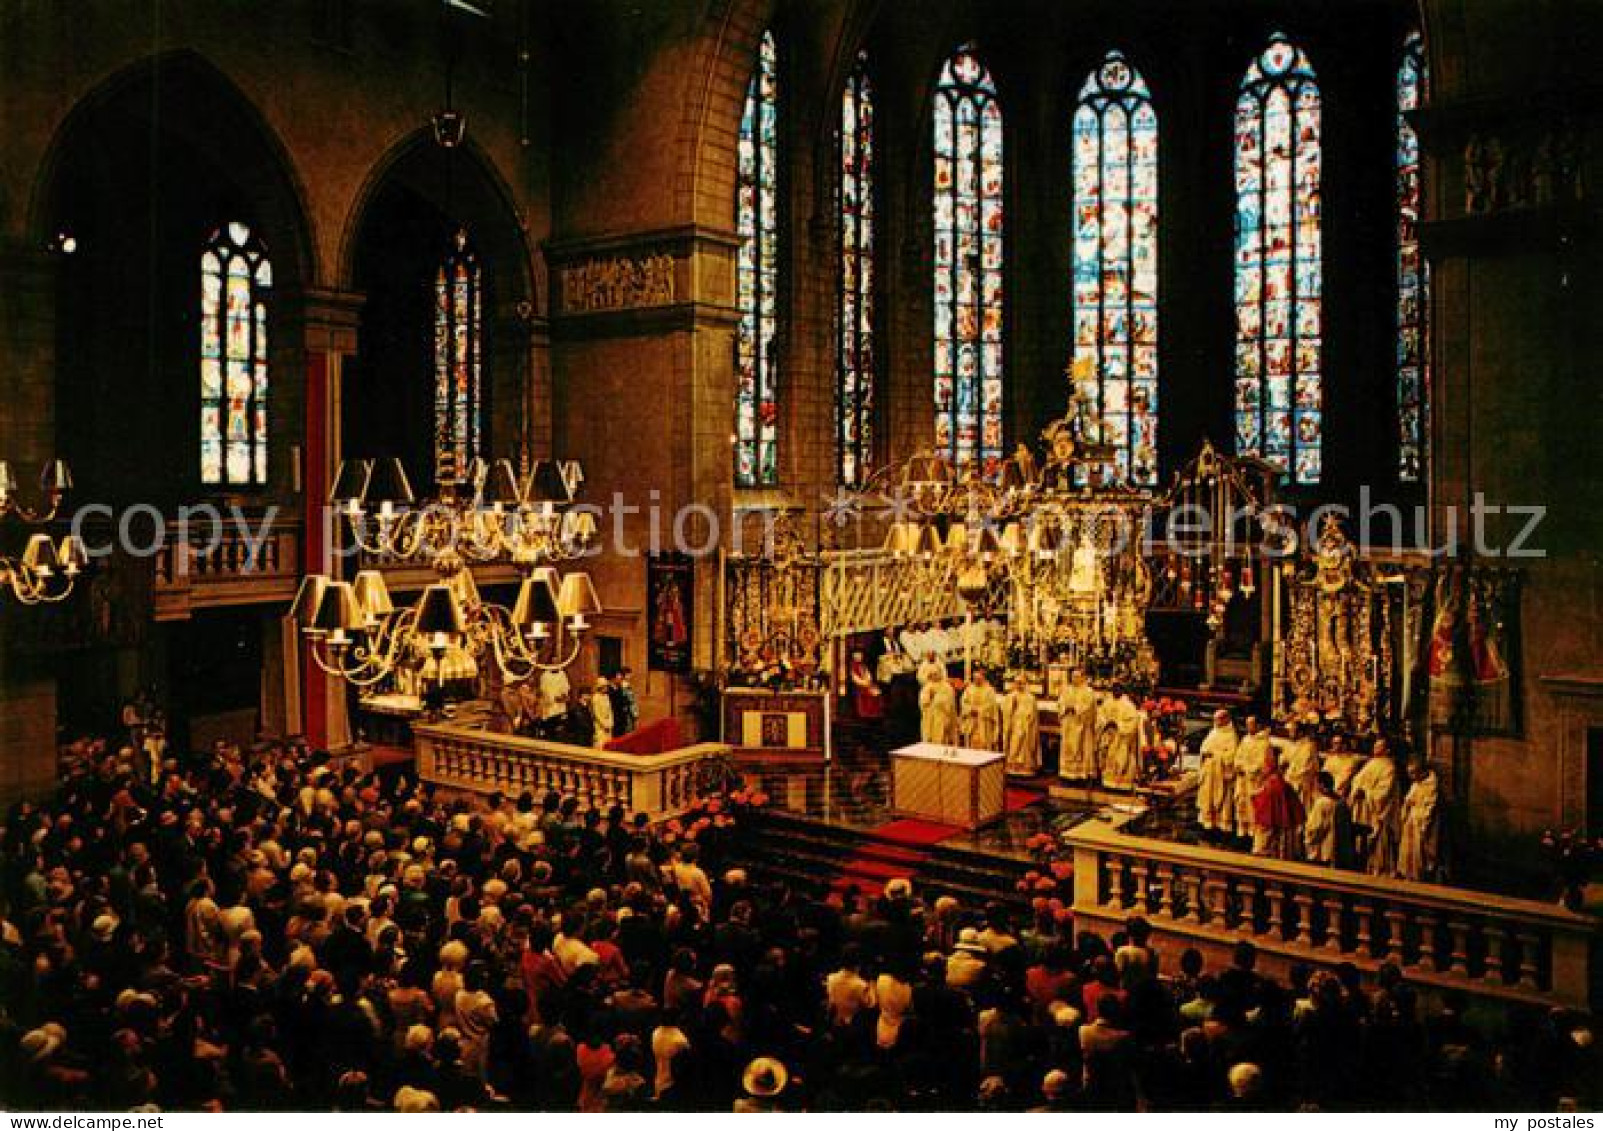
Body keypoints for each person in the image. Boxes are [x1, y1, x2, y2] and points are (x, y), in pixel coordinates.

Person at [1350, 740, 1402, 876]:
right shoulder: (1371, 763)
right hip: (1364, 808)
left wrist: (1365, 792)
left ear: (1387, 750)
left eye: (1379, 746)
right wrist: (1357, 789)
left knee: (1379, 845)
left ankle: (1379, 870)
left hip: (1378, 811)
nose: (1375, 748)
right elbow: (1357, 779)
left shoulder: (1389, 767)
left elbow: (1384, 792)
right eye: (1375, 745)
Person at [1251, 746, 1305, 860]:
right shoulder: (1278, 782)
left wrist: (1255, 796)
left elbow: (1266, 812)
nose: (1263, 766)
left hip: (1270, 827)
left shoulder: (1275, 784)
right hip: (1275, 828)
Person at [1196, 710, 1238, 838]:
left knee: (1222, 801)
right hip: (1209, 771)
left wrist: (1215, 756)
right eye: (1215, 720)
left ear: (1226, 719)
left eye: (1218, 719)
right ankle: (1208, 824)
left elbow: (1231, 756)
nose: (1216, 722)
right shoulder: (1213, 732)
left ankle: (1221, 825)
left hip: (1220, 773)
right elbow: (1203, 748)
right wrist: (1205, 753)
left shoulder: (1231, 735)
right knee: (1207, 798)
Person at [1397, 761, 1442, 882]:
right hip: (1412, 819)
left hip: (1422, 821)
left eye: (1412, 773)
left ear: (1421, 772)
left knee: (1420, 851)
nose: (1410, 776)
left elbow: (1429, 807)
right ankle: (1408, 874)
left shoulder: (1431, 786)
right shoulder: (1416, 783)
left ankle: (1419, 876)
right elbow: (1409, 799)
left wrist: (1422, 821)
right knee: (1408, 850)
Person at [1232, 716, 1272, 842]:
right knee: (1241, 803)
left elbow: (1262, 763)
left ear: (1258, 726)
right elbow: (1238, 756)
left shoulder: (1264, 743)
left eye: (1251, 724)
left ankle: (1253, 831)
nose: (1248, 727)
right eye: (1247, 724)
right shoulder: (1245, 739)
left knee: (1253, 806)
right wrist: (1238, 765)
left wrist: (1247, 769)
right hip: (1242, 778)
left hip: (1254, 780)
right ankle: (1243, 830)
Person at [1303, 771, 1354, 867]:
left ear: (1321, 785)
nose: (1314, 786)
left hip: (1323, 849)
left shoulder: (1322, 803)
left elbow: (1316, 827)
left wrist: (1307, 838)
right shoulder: (1341, 801)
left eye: (1316, 783)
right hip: (1339, 849)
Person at [1056, 668, 1099, 783]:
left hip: (1081, 724)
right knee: (1068, 747)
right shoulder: (1066, 690)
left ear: (1083, 677)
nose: (1074, 679)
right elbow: (1060, 703)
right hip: (1069, 723)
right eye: (1073, 676)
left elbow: (1089, 707)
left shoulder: (1088, 691)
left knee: (1082, 748)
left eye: (1077, 676)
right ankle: (1067, 772)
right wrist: (1065, 708)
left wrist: (1076, 708)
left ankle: (1081, 773)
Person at [1098, 685, 1144, 791]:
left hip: (1122, 738)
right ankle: (1108, 783)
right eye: (1113, 690)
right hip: (1109, 736)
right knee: (1108, 758)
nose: (1115, 692)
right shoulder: (1107, 702)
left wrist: (1118, 724)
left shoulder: (1128, 705)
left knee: (1122, 759)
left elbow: (1132, 722)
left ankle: (1122, 785)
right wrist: (1106, 723)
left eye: (1118, 690)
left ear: (1122, 691)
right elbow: (1100, 716)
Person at [1000, 675, 1041, 776]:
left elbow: (1032, 714)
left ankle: (1025, 767)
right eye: (1017, 682)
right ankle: (1012, 766)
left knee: (1024, 747)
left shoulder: (1030, 698)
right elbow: (1005, 711)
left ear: (1026, 684)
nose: (1019, 685)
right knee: (1013, 746)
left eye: (1021, 683)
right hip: (1013, 725)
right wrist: (1011, 707)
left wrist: (1025, 721)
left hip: (1025, 726)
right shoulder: (1010, 696)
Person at [1280, 718, 1321, 811]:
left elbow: (1309, 766)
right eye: (1289, 731)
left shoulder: (1309, 746)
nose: (1290, 733)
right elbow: (1284, 761)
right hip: (1290, 780)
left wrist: (1295, 776)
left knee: (1302, 807)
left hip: (1304, 782)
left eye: (1292, 731)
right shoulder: (1290, 745)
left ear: (1300, 732)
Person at [960, 669, 1002, 752]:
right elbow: (963, 702)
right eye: (975, 678)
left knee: (984, 744)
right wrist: (969, 709)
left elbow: (991, 705)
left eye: (979, 679)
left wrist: (979, 711)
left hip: (984, 722)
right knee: (971, 744)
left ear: (983, 678)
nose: (977, 680)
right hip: (972, 721)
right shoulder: (969, 689)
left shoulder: (990, 690)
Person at [918, 668, 960, 745]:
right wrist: (929, 697)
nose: (934, 676)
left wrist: (937, 698)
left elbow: (949, 703)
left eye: (936, 674)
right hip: (930, 718)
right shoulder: (926, 687)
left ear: (940, 674)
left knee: (942, 740)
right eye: (932, 674)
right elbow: (922, 703)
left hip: (942, 717)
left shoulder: (947, 687)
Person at [848, 650, 882, 721]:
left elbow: (868, 674)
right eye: (857, 655)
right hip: (859, 685)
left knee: (876, 691)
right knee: (868, 693)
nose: (859, 657)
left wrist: (869, 681)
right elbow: (855, 678)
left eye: (860, 655)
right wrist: (864, 683)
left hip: (866, 683)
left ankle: (874, 713)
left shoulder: (863, 665)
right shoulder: (852, 666)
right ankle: (865, 713)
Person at [609, 668, 639, 737]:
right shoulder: (611, 689)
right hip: (616, 718)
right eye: (618, 675)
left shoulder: (619, 688)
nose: (620, 678)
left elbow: (627, 701)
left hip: (623, 717)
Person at [590, 678, 615, 747]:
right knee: (601, 744)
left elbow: (610, 710)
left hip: (608, 724)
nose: (606, 688)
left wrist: (610, 722)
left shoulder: (606, 697)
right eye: (605, 686)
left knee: (609, 744)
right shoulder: (596, 698)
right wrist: (604, 725)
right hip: (600, 726)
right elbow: (597, 714)